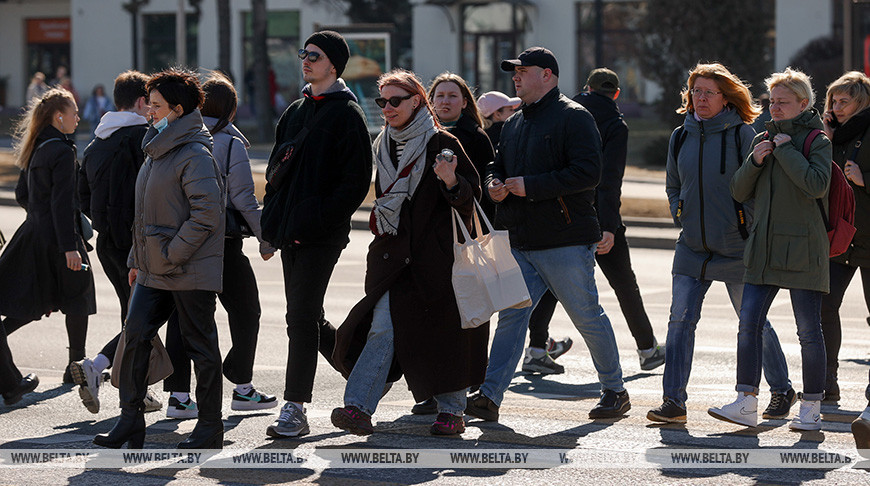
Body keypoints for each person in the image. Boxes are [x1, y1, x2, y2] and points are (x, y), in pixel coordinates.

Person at [466, 47, 628, 423]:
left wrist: (531, 186)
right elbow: (496, 164)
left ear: (548, 76)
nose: (516, 77)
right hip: (522, 240)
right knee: (512, 316)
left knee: (586, 315)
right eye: (514, 72)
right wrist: (493, 184)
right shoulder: (516, 121)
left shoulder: (575, 117)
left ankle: (615, 391)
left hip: (566, 239)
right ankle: (489, 397)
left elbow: (589, 172)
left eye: (524, 71)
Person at [331, 68, 485, 436]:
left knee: (445, 332)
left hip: (438, 260)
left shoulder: (440, 142)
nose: (386, 107)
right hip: (393, 258)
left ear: (417, 101)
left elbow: (472, 198)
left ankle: (452, 411)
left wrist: (451, 181)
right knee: (382, 328)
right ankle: (358, 408)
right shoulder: (383, 143)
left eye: (395, 101)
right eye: (382, 101)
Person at [647, 63, 795, 425]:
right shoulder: (680, 136)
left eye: (708, 92)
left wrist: (747, 223)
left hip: (736, 246)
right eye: (695, 91)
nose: (700, 99)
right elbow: (672, 183)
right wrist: (677, 210)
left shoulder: (743, 134)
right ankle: (674, 402)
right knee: (679, 322)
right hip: (691, 247)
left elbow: (761, 186)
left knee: (752, 322)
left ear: (726, 98)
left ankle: (782, 389)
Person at [93, 68, 226, 449]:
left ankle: (209, 427)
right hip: (154, 269)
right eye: (149, 104)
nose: (149, 111)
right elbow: (144, 214)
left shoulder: (195, 153)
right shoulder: (157, 147)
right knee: (134, 337)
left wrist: (170, 254)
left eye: (156, 106)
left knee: (201, 346)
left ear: (178, 109)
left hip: (188, 268)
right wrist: (139, 259)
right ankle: (130, 421)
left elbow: (207, 215)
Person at [260, 30, 373, 438]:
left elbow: (357, 182)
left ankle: (294, 407)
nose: (305, 60)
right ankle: (366, 376)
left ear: (334, 65)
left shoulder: (348, 114)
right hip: (290, 235)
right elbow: (276, 178)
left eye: (315, 55)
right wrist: (270, 230)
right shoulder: (294, 111)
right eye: (303, 53)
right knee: (308, 316)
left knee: (300, 317)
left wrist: (317, 220)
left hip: (321, 236)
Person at [709, 68, 831, 430]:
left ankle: (811, 407)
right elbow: (738, 191)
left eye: (783, 102)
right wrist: (756, 159)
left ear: (804, 104)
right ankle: (746, 400)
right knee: (749, 323)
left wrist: (787, 150)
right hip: (763, 246)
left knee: (809, 331)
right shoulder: (762, 139)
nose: (774, 108)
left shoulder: (817, 141)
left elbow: (816, 185)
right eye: (771, 101)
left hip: (804, 249)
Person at [162, 72, 278, 419]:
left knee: (183, 319)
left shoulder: (174, 137)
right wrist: (265, 238)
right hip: (221, 244)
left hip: (180, 242)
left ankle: (178, 397)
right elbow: (243, 198)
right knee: (247, 312)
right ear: (231, 109)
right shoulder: (229, 142)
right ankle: (242, 387)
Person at [71, 71, 157, 414]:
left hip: (109, 243)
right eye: (150, 103)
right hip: (141, 243)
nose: (152, 110)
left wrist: (106, 220)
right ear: (140, 102)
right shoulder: (144, 140)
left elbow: (82, 196)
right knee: (145, 315)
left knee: (134, 312)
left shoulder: (95, 143)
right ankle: (101, 367)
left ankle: (135, 387)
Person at [0, 88, 95, 383]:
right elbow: (63, 202)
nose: (77, 118)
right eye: (74, 112)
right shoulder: (63, 150)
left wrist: (39, 218)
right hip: (61, 239)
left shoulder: (36, 147)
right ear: (58, 116)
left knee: (37, 302)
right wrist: (70, 248)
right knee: (78, 298)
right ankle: (74, 367)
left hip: (34, 235)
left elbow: (22, 194)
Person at [819, 72, 870, 403]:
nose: (836, 108)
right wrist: (825, 141)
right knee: (824, 307)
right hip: (838, 238)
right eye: (833, 101)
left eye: (843, 101)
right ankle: (827, 381)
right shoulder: (829, 136)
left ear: (861, 102)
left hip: (869, 238)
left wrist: (866, 179)